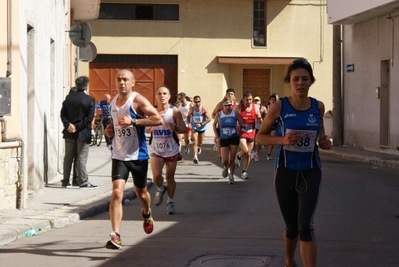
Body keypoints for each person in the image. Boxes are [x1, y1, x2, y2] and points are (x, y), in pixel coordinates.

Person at [256, 58, 332, 267]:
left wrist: (325, 142)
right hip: (285, 172)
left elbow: (320, 135)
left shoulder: (318, 106)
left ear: (311, 82)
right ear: (289, 81)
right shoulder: (279, 107)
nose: (300, 83)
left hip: (311, 170)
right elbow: (259, 137)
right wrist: (281, 140)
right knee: (292, 227)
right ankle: (289, 261)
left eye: (305, 79)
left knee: (305, 225)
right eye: (296, 79)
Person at [103, 69, 163, 249]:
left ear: (133, 82)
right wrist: (109, 130)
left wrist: (135, 122)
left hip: (138, 156)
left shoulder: (138, 101)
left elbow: (157, 119)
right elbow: (115, 123)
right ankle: (116, 235)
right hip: (119, 155)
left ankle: (146, 212)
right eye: (119, 80)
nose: (122, 83)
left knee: (141, 193)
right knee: (116, 192)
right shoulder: (113, 101)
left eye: (125, 80)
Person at [147, 86, 187, 215]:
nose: (162, 96)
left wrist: (175, 127)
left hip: (171, 149)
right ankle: (160, 188)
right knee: (156, 176)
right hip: (156, 148)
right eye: (159, 93)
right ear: (156, 96)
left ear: (169, 97)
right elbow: (144, 126)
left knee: (170, 177)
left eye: (165, 93)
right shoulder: (152, 111)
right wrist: (147, 128)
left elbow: (184, 129)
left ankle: (170, 201)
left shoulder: (174, 111)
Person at [60, 76, 98, 189]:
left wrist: (69, 125)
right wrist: (77, 127)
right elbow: (89, 118)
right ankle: (83, 181)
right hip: (82, 132)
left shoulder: (68, 99)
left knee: (68, 157)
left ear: (76, 85)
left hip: (69, 132)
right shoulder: (89, 100)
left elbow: (63, 115)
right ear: (86, 85)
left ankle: (65, 181)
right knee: (81, 157)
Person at [213, 97, 244, 184]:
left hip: (234, 137)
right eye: (226, 105)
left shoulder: (235, 113)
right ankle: (225, 167)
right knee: (225, 160)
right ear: (223, 105)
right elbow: (214, 124)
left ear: (232, 105)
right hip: (224, 138)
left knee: (232, 159)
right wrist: (216, 135)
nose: (228, 107)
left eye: (229, 105)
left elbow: (242, 124)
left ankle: (231, 176)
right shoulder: (219, 114)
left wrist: (240, 127)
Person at [234, 91, 262, 179]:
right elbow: (233, 119)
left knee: (248, 154)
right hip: (242, 132)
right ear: (243, 100)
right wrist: (236, 126)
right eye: (247, 100)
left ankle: (244, 172)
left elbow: (260, 119)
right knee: (245, 150)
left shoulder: (256, 107)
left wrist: (265, 126)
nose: (249, 102)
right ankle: (238, 156)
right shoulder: (238, 108)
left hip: (251, 132)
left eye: (250, 100)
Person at [211, 88, 239, 156]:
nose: (230, 95)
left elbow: (239, 116)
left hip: (233, 128)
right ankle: (222, 156)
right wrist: (218, 119)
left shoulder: (237, 105)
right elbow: (213, 114)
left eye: (231, 94)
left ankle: (229, 158)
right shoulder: (221, 104)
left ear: (234, 96)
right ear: (226, 95)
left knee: (231, 145)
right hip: (221, 127)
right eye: (228, 94)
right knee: (220, 143)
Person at [186, 95, 211, 164]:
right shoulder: (192, 109)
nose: (197, 103)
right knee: (195, 141)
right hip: (194, 128)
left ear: (200, 101)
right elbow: (188, 116)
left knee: (200, 143)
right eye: (196, 102)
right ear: (194, 102)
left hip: (202, 128)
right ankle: (195, 157)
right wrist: (189, 123)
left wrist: (201, 124)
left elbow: (209, 119)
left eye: (198, 102)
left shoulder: (203, 108)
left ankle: (199, 147)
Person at [252, 96, 267, 162]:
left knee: (259, 140)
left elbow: (267, 116)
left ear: (260, 102)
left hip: (260, 126)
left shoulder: (263, 108)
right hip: (253, 126)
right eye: (255, 100)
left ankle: (257, 152)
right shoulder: (251, 107)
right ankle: (253, 152)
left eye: (257, 100)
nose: (256, 102)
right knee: (253, 140)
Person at [266, 94, 277, 160]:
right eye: (271, 99)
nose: (272, 101)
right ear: (269, 100)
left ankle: (269, 154)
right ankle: (256, 152)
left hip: (273, 124)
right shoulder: (266, 107)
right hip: (266, 124)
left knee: (272, 139)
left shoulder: (277, 107)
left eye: (274, 99)